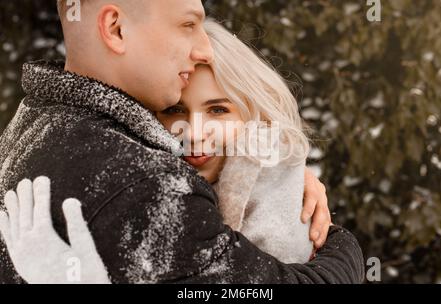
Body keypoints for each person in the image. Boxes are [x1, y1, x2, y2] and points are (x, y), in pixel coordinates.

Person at [0, 0, 364, 283]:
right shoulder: (148, 184)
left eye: (219, 110)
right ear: (116, 29)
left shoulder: (33, 123)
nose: (203, 47)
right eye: (188, 25)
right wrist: (341, 245)